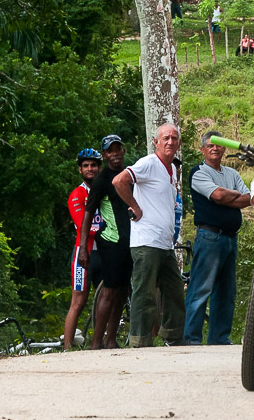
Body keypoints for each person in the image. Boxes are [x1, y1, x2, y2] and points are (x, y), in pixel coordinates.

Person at [112, 123, 185, 347]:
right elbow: (119, 180)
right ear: (156, 142)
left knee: (174, 290)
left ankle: (172, 337)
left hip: (164, 243)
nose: (170, 142)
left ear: (179, 143)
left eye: (174, 138)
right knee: (145, 293)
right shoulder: (149, 163)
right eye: (165, 138)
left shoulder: (172, 169)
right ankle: (139, 341)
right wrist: (134, 205)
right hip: (146, 241)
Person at [183, 131, 251, 345]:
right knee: (201, 288)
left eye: (218, 146)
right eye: (209, 146)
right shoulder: (198, 172)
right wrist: (230, 195)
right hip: (209, 237)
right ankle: (192, 339)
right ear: (203, 150)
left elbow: (247, 199)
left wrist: (225, 196)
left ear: (224, 149)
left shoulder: (231, 173)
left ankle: (219, 338)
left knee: (226, 291)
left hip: (231, 238)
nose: (214, 149)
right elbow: (218, 196)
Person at [78, 134, 132, 349]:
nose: (115, 153)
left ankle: (111, 339)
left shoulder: (130, 174)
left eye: (118, 149)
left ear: (123, 151)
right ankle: (96, 341)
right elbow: (88, 213)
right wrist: (83, 247)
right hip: (111, 240)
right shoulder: (101, 180)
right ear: (105, 155)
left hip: (130, 242)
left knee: (122, 289)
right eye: (110, 150)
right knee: (109, 290)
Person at [62, 148, 104, 350]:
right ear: (80, 170)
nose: (90, 169)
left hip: (104, 253)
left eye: (94, 165)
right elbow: (83, 225)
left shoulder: (104, 191)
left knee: (104, 299)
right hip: (83, 253)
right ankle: (67, 348)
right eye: (86, 166)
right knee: (78, 302)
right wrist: (109, 227)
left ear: (99, 167)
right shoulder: (77, 194)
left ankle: (99, 343)